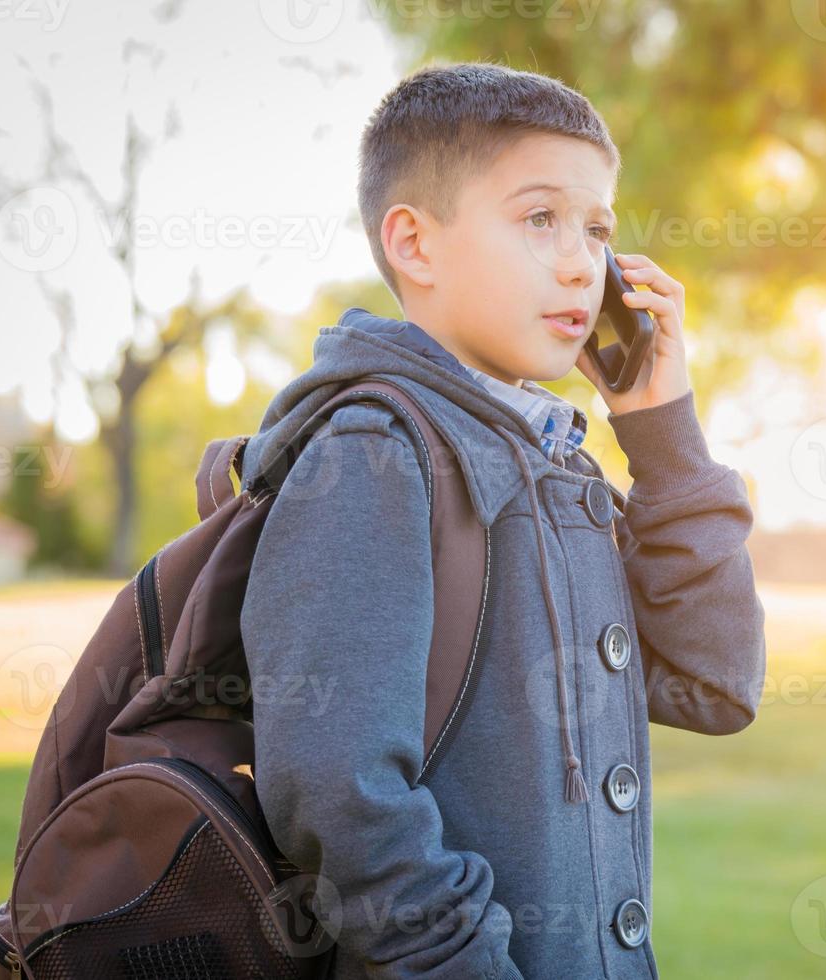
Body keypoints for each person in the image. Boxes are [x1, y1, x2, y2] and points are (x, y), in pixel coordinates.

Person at [239, 61, 766, 980]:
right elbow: (339, 793)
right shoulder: (373, 456)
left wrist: (664, 433)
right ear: (415, 242)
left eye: (597, 228)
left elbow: (717, 682)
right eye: (539, 219)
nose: (581, 261)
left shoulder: (559, 462)